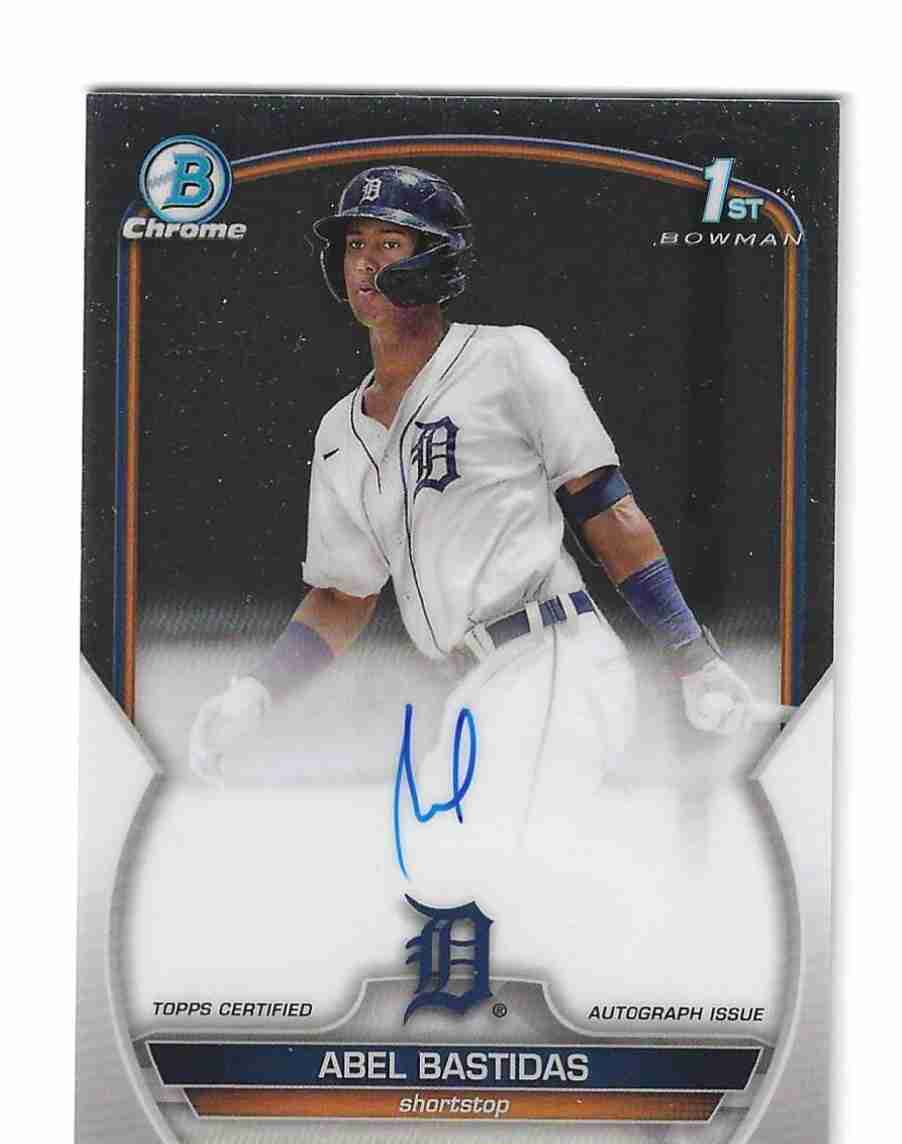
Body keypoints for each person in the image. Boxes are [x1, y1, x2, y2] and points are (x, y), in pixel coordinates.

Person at [189, 166, 752, 828]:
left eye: (389, 243)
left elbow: (608, 510)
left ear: (435, 256)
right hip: (477, 691)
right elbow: (343, 597)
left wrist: (693, 656)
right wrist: (257, 691)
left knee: (490, 856)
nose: (365, 261)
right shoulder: (340, 432)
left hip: (552, 660)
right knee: (430, 868)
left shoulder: (510, 358)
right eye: (354, 243)